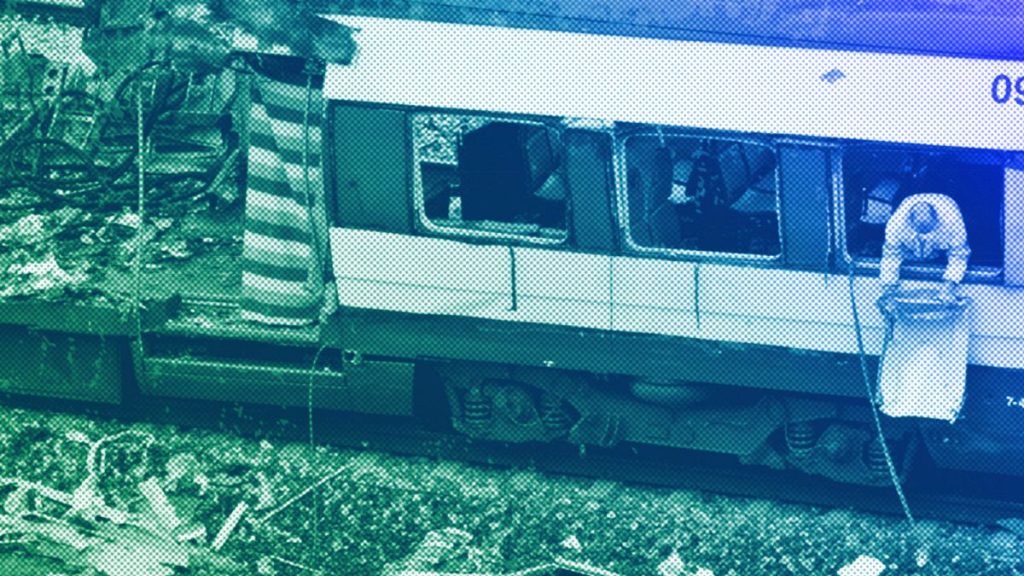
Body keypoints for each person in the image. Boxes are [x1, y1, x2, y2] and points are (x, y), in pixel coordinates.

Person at [879, 193, 970, 303]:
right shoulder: (895, 224)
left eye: (928, 229)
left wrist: (949, 287)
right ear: (910, 222)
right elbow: (891, 257)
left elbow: (959, 256)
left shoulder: (953, 222)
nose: (924, 236)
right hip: (909, 252)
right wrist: (888, 288)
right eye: (920, 230)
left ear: (936, 219)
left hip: (941, 250)